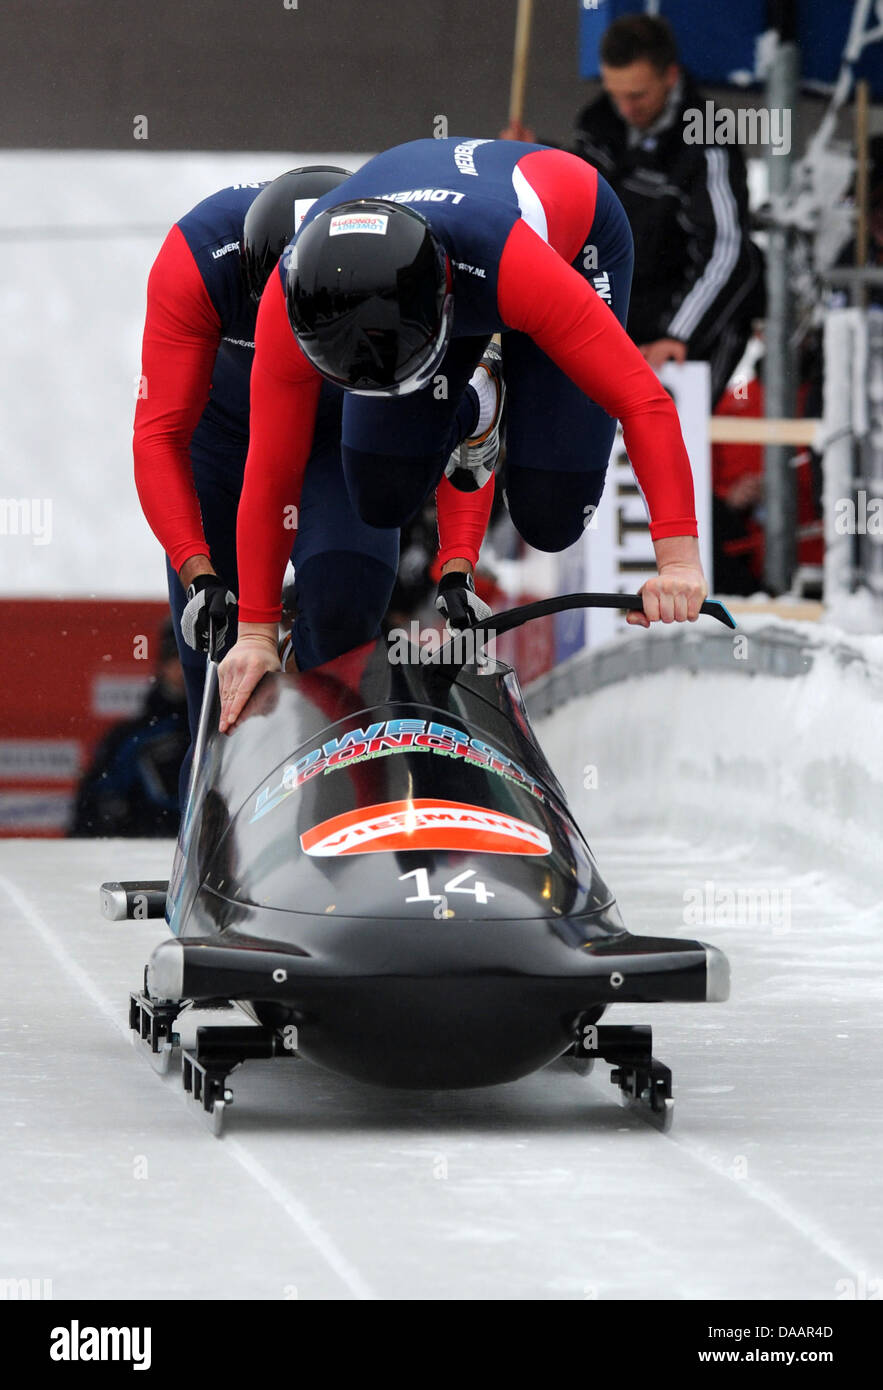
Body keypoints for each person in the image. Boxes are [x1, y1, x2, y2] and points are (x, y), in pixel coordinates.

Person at [217, 135, 709, 732]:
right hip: (438, 261)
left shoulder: (510, 267)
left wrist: (678, 560)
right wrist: (256, 631)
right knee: (379, 494)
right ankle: (473, 400)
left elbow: (643, 398)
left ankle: (487, 375)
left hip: (567, 244)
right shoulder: (286, 301)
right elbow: (271, 468)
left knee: (551, 515)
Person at [133, 166, 494, 783]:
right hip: (224, 445)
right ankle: (220, 796)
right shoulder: (195, 261)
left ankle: (344, 786)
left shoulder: (401, 260)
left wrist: (457, 563)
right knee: (219, 650)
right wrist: (198, 570)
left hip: (335, 438)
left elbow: (451, 429)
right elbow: (158, 434)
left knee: (347, 599)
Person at [504, 13, 763, 405]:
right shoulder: (599, 125)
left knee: (667, 453)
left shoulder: (708, 141)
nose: (626, 108)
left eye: (637, 95)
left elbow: (727, 252)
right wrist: (534, 155)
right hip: (614, 323)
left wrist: (679, 335)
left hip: (684, 338)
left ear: (670, 77)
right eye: (616, 94)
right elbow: (586, 187)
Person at [68, 620, 188, 837]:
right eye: (174, 658)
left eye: (189, 661)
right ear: (161, 665)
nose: (181, 669)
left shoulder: (222, 731)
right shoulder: (130, 737)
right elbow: (95, 806)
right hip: (140, 857)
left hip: (205, 853)